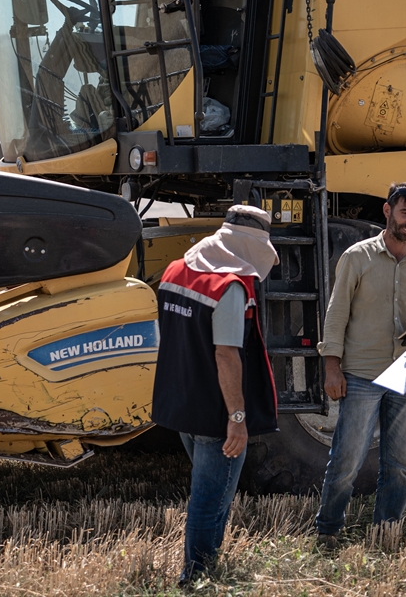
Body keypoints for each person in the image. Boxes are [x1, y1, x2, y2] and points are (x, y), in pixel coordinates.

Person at [151, 204, 280, 584]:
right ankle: (196, 577)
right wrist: (237, 419)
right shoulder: (230, 288)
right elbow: (226, 354)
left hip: (182, 406)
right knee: (210, 500)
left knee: (209, 491)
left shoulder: (174, 271)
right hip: (215, 415)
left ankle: (203, 567)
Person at [314, 182, 406, 549]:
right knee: (346, 460)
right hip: (361, 375)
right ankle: (328, 531)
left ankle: (385, 533)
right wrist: (332, 367)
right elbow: (336, 314)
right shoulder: (357, 256)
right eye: (405, 212)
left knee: (399, 466)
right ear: (387, 211)